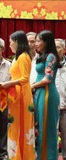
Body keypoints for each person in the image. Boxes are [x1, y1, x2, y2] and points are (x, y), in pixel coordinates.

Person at [1, 31, 36, 160]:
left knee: (21, 125)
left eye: (11, 42)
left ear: (17, 42)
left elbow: (25, 79)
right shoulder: (20, 57)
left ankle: (22, 156)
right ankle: (16, 154)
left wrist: (8, 83)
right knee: (14, 124)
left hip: (22, 95)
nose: (10, 44)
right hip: (16, 94)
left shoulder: (24, 57)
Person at [31, 30, 60, 160]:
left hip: (48, 93)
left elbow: (47, 79)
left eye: (38, 41)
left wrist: (32, 86)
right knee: (39, 125)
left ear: (46, 42)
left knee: (47, 127)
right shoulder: (41, 56)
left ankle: (49, 157)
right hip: (40, 93)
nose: (36, 43)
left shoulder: (51, 56)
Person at [55, 38, 66, 160]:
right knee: (51, 135)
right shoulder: (48, 65)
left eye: (58, 47)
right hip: (52, 106)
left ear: (64, 49)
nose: (56, 49)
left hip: (65, 106)